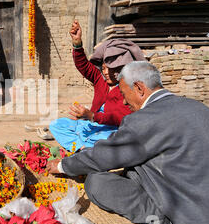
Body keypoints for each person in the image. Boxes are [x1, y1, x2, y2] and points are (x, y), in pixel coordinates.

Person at [47, 61, 209, 224]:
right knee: (134, 161)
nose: (124, 101)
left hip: (192, 223)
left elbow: (106, 157)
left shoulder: (144, 119)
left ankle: (167, 219)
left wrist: (63, 166)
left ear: (140, 88)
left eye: (125, 94)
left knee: (96, 182)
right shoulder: (202, 109)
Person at [47, 20, 145, 152]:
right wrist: (77, 43)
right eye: (103, 68)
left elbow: (120, 117)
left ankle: (87, 147)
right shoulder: (100, 79)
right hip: (91, 123)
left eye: (110, 70)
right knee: (57, 125)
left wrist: (92, 116)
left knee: (108, 138)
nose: (105, 72)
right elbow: (84, 66)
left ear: (121, 70)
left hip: (111, 128)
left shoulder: (129, 88)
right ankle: (82, 148)